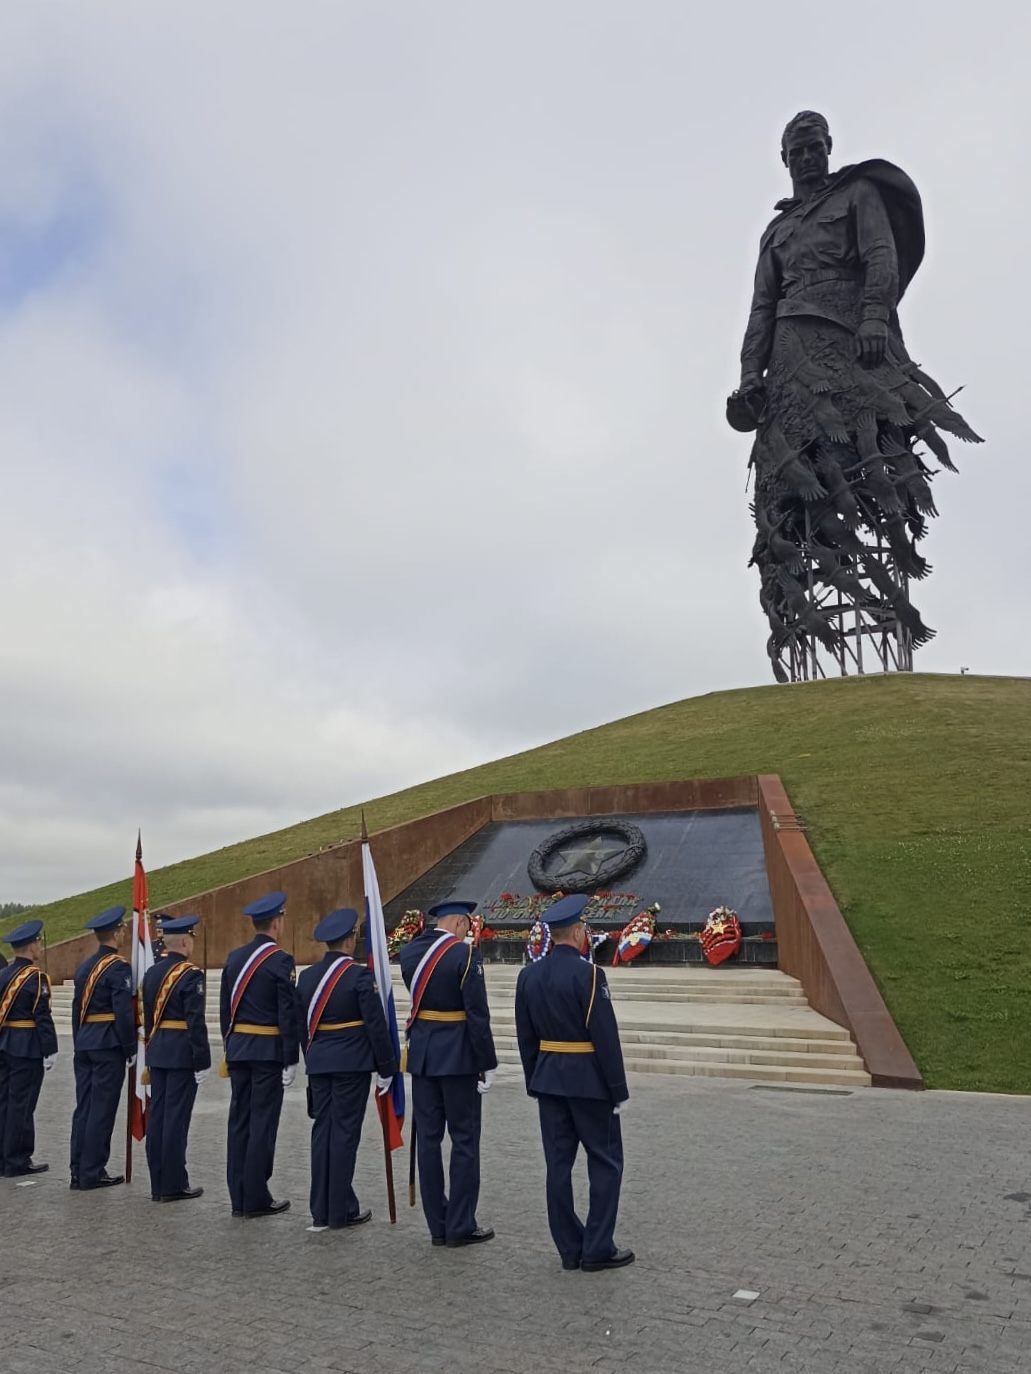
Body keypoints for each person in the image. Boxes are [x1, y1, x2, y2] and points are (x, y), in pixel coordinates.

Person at [728, 111, 981, 681]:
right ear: (785, 158)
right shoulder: (777, 232)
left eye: (817, 146)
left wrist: (874, 317)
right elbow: (761, 308)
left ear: (829, 148)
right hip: (792, 354)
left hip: (851, 340)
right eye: (799, 149)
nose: (809, 156)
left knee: (871, 462)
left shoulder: (858, 192)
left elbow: (881, 258)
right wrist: (750, 379)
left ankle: (890, 613)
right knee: (794, 487)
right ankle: (806, 631)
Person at [515, 893, 633, 1272]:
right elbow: (605, 1037)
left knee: (558, 1166)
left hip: (549, 1080)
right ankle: (597, 1247)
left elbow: (525, 1036)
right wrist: (618, 1090)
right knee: (605, 1161)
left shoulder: (528, 976)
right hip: (589, 1083)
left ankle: (569, 1247)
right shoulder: (590, 975)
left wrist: (535, 1079)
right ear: (579, 933)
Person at [399, 899, 497, 1247]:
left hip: (424, 1057)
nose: (468, 931)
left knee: (427, 1141)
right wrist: (487, 1062)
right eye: (467, 925)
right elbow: (477, 1014)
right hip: (458, 1058)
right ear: (457, 923)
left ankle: (437, 1225)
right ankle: (460, 1225)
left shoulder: (410, 955)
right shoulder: (465, 955)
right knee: (464, 1140)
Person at [296, 907, 398, 1231]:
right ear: (350, 940)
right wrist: (387, 1067)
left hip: (319, 1063)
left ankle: (321, 1209)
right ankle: (339, 1211)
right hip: (352, 1065)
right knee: (343, 1136)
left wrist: (311, 1058)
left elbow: (303, 1028)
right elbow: (375, 1025)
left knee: (322, 1133)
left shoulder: (307, 977)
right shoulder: (359, 976)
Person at [219, 890, 300, 1218]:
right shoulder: (281, 961)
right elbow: (287, 1012)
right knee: (262, 1124)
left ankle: (238, 1194)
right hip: (267, 1053)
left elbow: (226, 1009)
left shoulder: (235, 958)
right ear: (277, 923)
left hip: (239, 1050)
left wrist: (230, 1046)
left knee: (239, 1122)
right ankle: (255, 1196)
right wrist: (290, 1057)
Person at [142, 914, 210, 1202]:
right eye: (191, 938)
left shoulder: (151, 973)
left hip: (157, 1050)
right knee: (176, 1121)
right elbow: (195, 1021)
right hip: (182, 1053)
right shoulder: (190, 974)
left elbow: (148, 1016)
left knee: (157, 1117)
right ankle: (173, 1184)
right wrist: (202, 1059)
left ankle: (158, 1181)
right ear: (184, 941)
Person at [69, 906, 136, 1190]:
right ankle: (92, 1171)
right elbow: (122, 1011)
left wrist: (78, 1039)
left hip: (85, 1041)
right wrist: (130, 1046)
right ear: (117, 932)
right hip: (108, 1043)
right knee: (102, 1109)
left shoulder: (85, 966)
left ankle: (78, 1168)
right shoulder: (118, 967)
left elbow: (76, 1009)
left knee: (84, 1107)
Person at [0, 919, 58, 1176]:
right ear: (30, 946)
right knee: (22, 1105)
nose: (39, 947)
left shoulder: (3, 974)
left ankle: (3, 1157)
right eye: (37, 942)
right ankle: (17, 1159)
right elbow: (42, 1015)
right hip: (27, 1045)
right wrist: (51, 1048)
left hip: (4, 1042)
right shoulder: (35, 977)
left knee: (4, 1102)